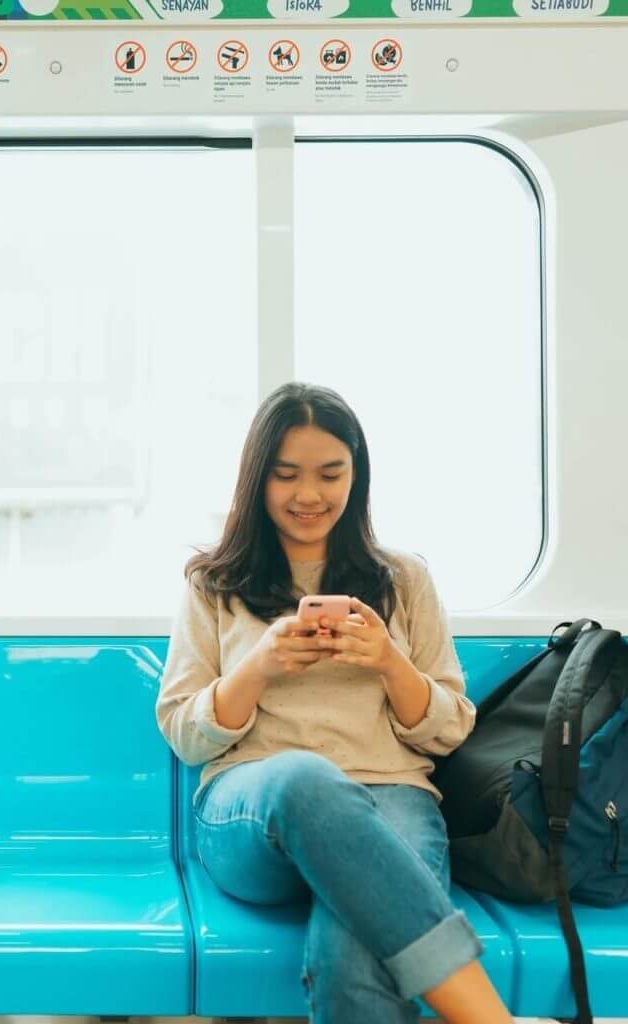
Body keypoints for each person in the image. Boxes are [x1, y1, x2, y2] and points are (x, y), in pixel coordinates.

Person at [156, 382, 515, 1024]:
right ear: (257, 480)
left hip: (391, 800)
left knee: (354, 953)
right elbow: (185, 733)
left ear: (358, 475)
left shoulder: (403, 580)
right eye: (286, 475)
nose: (309, 495)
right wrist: (260, 665)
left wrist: (387, 661)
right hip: (251, 816)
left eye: (331, 473)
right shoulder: (212, 584)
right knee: (305, 776)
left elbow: (449, 729)